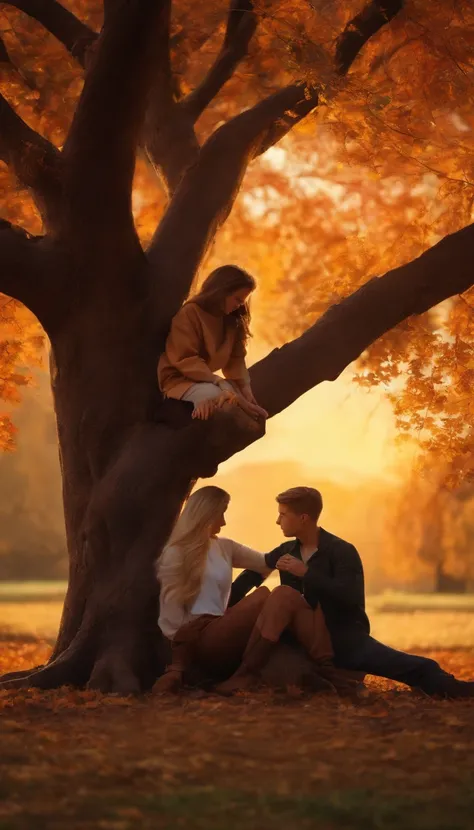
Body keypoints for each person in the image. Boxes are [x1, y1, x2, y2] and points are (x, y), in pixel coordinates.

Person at [225, 486, 474, 699]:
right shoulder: (286, 550)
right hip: (303, 639)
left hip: (345, 639)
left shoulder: (342, 551)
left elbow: (348, 596)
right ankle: (252, 674)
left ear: (303, 518)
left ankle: (457, 689)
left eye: (283, 515)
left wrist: (306, 573)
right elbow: (252, 575)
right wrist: (220, 607)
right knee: (280, 595)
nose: (277, 521)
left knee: (418, 666)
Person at [155, 486, 357, 695]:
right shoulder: (175, 553)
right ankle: (250, 673)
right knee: (266, 595)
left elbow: (266, 562)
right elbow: (170, 622)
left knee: (288, 596)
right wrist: (179, 664)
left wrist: (307, 567)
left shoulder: (225, 547)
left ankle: (327, 670)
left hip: (221, 628)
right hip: (197, 641)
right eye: (221, 513)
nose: (224, 522)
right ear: (206, 513)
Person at [158, 265, 268, 421]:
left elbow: (235, 359)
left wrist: (246, 390)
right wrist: (217, 381)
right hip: (179, 380)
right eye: (237, 299)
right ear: (222, 292)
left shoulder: (231, 320)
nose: (240, 305)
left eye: (242, 301)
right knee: (220, 397)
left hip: (208, 380)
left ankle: (242, 404)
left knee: (232, 394)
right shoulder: (190, 314)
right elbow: (185, 359)